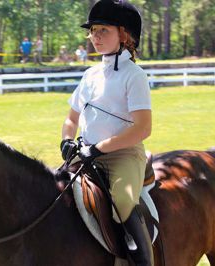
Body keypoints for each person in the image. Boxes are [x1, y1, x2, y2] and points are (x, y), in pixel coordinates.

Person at [60, 1, 153, 265]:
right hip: (87, 152)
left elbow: (143, 128)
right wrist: (67, 140)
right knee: (54, 187)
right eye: (93, 31)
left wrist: (99, 148)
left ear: (123, 35)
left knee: (122, 201)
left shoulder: (134, 76)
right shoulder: (89, 75)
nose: (95, 37)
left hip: (124, 155)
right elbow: (71, 118)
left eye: (103, 30)